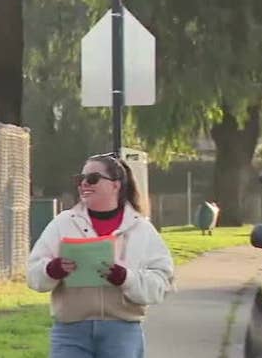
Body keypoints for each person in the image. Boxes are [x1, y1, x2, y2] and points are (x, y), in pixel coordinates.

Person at [27, 152, 174, 358]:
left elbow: (162, 283)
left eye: (93, 178)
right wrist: (53, 270)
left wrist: (125, 278)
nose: (84, 184)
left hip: (122, 331)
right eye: (80, 179)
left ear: (116, 185)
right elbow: (33, 275)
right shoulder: (62, 223)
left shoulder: (141, 229)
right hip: (70, 331)